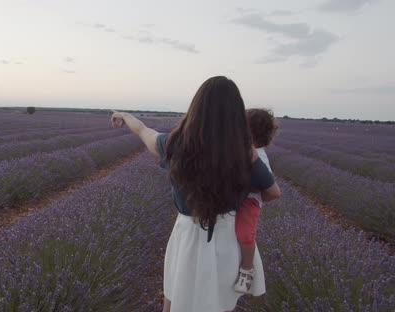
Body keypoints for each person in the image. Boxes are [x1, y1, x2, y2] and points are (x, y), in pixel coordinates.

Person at [110, 76, 281, 312]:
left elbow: (144, 132)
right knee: (217, 303)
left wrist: (126, 116)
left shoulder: (175, 145)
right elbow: (272, 193)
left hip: (186, 235)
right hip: (226, 237)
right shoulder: (246, 154)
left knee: (175, 293)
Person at [234, 108, 279, 294]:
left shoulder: (259, 156)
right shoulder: (240, 150)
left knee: (245, 234)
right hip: (237, 198)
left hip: (250, 202)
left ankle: (247, 270)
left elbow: (268, 187)